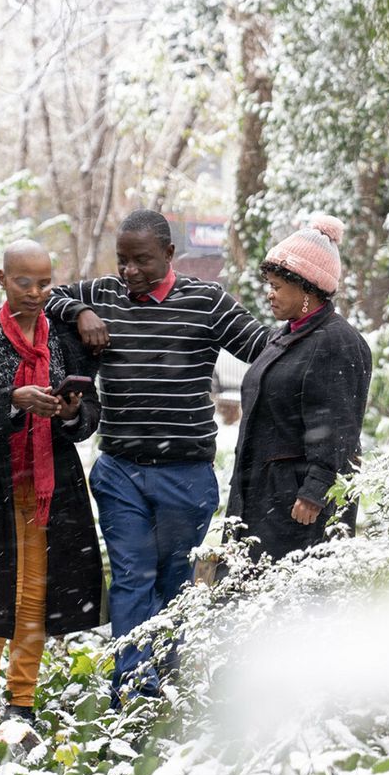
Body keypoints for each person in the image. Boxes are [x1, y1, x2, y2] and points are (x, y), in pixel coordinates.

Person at [45, 209, 272, 705]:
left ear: (169, 254)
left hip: (185, 474)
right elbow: (46, 295)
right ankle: (132, 689)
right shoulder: (101, 296)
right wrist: (80, 314)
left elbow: (265, 348)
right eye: (123, 260)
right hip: (120, 469)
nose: (130, 272)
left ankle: (161, 675)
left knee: (173, 584)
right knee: (131, 577)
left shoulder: (206, 303)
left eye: (142, 261)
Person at [0, 240, 104, 725]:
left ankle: (22, 702)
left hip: (52, 487)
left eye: (44, 282)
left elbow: (88, 415)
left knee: (37, 593)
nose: (35, 292)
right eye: (23, 282)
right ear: (1, 279)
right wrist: (13, 399)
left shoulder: (66, 341)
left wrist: (71, 412)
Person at [226, 216, 372, 562]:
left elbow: (339, 427)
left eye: (277, 286)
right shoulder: (286, 335)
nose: (269, 293)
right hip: (265, 493)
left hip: (299, 506)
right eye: (269, 283)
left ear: (307, 289)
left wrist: (315, 491)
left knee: (294, 604)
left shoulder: (338, 343)